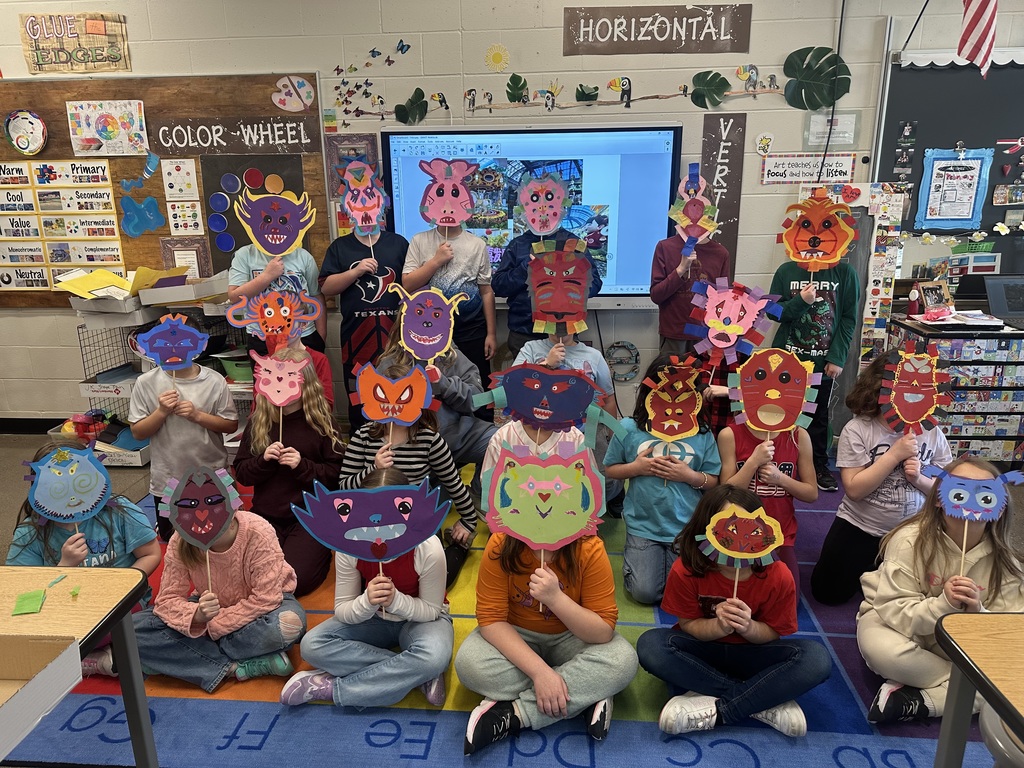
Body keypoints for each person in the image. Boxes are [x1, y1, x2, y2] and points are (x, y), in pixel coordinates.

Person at [636, 485, 832, 737]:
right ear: (706, 531)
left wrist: (749, 627)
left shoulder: (778, 574)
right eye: (729, 529)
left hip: (755, 655)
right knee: (651, 645)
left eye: (749, 531)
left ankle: (719, 706)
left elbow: (773, 632)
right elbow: (688, 624)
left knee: (816, 658)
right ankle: (759, 700)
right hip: (703, 652)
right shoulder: (686, 568)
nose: (739, 540)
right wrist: (718, 627)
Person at [857, 456, 1024, 723]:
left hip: (961, 645)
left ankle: (921, 701)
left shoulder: (1007, 563)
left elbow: (1009, 632)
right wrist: (943, 604)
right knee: (880, 649)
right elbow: (893, 611)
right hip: (903, 631)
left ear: (1000, 506)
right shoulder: (909, 541)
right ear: (938, 498)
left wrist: (977, 612)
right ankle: (967, 687)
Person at [279, 468, 453, 708]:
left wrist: (395, 601)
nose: (377, 524)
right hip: (375, 618)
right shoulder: (348, 546)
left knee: (434, 656)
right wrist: (368, 601)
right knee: (312, 645)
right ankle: (415, 674)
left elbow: (432, 611)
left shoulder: (428, 548)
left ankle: (334, 689)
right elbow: (343, 609)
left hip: (422, 620)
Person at [454, 529, 638, 754]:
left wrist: (555, 598)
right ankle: (583, 694)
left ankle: (514, 714)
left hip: (573, 636)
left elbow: (602, 631)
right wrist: (541, 673)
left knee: (623, 660)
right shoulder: (500, 544)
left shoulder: (589, 547)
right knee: (469, 664)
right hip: (517, 637)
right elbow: (491, 621)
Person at [7, 439, 162, 677]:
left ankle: (84, 657)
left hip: (122, 609)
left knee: (154, 625)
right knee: (25, 633)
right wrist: (64, 567)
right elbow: (21, 589)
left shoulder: (120, 512)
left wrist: (125, 585)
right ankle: (95, 656)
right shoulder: (31, 532)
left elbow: (151, 553)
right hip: (65, 612)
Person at [810, 354, 952, 606]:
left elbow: (946, 492)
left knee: (915, 596)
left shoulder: (932, 433)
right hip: (860, 526)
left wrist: (919, 479)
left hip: (912, 533)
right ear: (880, 388)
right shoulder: (859, 429)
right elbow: (854, 489)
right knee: (827, 593)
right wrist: (893, 455)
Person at [133, 502, 306, 693]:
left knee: (290, 624)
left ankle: (182, 656)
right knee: (132, 628)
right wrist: (197, 616)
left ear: (233, 512)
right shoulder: (181, 538)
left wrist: (210, 627)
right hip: (206, 609)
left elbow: (266, 598)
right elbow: (167, 600)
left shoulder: (259, 530)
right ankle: (234, 668)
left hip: (262, 611)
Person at [375, 324, 496, 585]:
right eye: (419, 318)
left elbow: (477, 400)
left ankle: (474, 497)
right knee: (421, 508)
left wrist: (443, 382)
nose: (427, 326)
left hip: (459, 436)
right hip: (416, 449)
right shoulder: (389, 362)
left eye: (435, 319)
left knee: (502, 442)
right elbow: (378, 413)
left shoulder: (451, 355)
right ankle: (441, 496)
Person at [339, 368, 478, 584]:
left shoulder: (429, 440)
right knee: (366, 580)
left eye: (403, 398)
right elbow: (343, 489)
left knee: (436, 578)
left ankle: (458, 548)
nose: (394, 406)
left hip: (413, 518)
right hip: (371, 519)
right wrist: (372, 469)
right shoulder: (363, 436)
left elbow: (453, 482)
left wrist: (469, 521)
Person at [604, 354, 722, 604]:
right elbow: (611, 469)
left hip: (685, 526)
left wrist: (688, 475)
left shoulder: (701, 434)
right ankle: (637, 561)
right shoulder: (629, 427)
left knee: (685, 590)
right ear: (650, 392)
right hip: (644, 526)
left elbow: (712, 481)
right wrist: (636, 468)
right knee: (645, 593)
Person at [233, 347, 345, 597]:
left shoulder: (322, 423)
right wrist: (264, 460)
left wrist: (302, 465)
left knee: (298, 581)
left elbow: (336, 476)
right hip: (266, 516)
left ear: (306, 384)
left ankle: (318, 551)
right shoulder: (258, 421)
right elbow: (242, 473)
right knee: (247, 576)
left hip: (309, 517)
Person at [128, 338, 239, 542]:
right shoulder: (146, 383)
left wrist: (197, 416)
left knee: (224, 537)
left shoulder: (214, 380)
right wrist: (161, 412)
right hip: (167, 479)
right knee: (172, 540)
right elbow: (138, 432)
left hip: (213, 473)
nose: (173, 348)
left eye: (180, 341)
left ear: (198, 345)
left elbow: (230, 424)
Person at [769, 247, 860, 493]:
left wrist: (838, 357)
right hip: (786, 359)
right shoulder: (786, 271)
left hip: (822, 362)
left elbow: (849, 318)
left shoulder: (844, 272)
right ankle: (780, 460)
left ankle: (818, 464)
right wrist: (801, 301)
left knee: (818, 415)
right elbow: (773, 311)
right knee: (780, 411)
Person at [513, 331, 623, 508]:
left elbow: (608, 398)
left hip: (584, 430)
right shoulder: (531, 349)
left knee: (604, 481)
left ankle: (609, 498)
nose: (560, 327)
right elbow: (513, 390)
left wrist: (613, 442)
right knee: (541, 478)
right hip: (541, 432)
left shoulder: (593, 356)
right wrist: (547, 365)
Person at [319, 227, 409, 434]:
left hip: (396, 340)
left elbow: (413, 281)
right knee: (358, 400)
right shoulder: (340, 247)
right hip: (356, 341)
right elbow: (326, 287)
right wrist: (356, 271)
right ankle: (361, 451)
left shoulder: (398, 243)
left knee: (401, 397)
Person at [718, 418, 817, 594]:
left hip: (780, 534)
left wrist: (781, 479)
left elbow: (811, 493)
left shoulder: (798, 436)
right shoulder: (730, 434)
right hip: (737, 532)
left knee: (786, 600)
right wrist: (753, 462)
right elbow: (726, 493)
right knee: (735, 597)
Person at [402, 222, 496, 399]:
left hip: (471, 328)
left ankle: (483, 423)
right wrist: (436, 261)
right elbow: (407, 285)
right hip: (429, 330)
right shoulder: (419, 240)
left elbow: (486, 291)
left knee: (479, 382)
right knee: (434, 382)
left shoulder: (477, 244)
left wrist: (491, 334)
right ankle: (440, 423)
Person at [491, 224, 602, 359]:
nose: (543, 212)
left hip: (564, 330)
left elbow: (595, 283)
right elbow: (499, 286)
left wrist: (568, 286)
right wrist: (525, 267)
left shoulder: (573, 244)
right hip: (524, 331)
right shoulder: (518, 245)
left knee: (563, 376)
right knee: (528, 377)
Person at [228, 241, 327, 354]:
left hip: (303, 336)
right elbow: (234, 297)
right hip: (262, 338)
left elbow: (317, 297)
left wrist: (321, 339)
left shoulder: (303, 256)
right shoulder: (245, 254)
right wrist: (267, 276)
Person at [650, 235, 730, 357]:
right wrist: (681, 269)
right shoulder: (665, 247)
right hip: (674, 334)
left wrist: (719, 338)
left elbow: (723, 298)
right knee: (670, 375)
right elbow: (656, 295)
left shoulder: (720, 253)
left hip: (705, 336)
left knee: (702, 375)